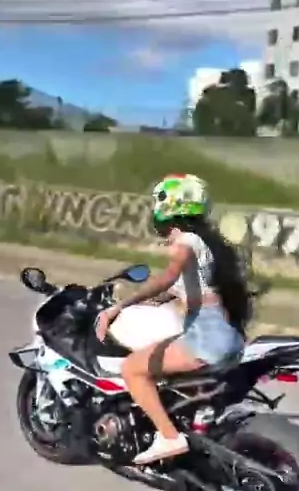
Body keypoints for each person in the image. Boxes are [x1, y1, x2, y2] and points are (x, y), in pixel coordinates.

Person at [95, 173, 252, 466]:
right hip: (225, 337)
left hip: (206, 339)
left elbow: (168, 277)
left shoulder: (187, 241)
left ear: (170, 206)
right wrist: (147, 300)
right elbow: (180, 290)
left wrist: (119, 307)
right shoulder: (207, 244)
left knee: (132, 369)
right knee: (162, 359)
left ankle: (169, 436)